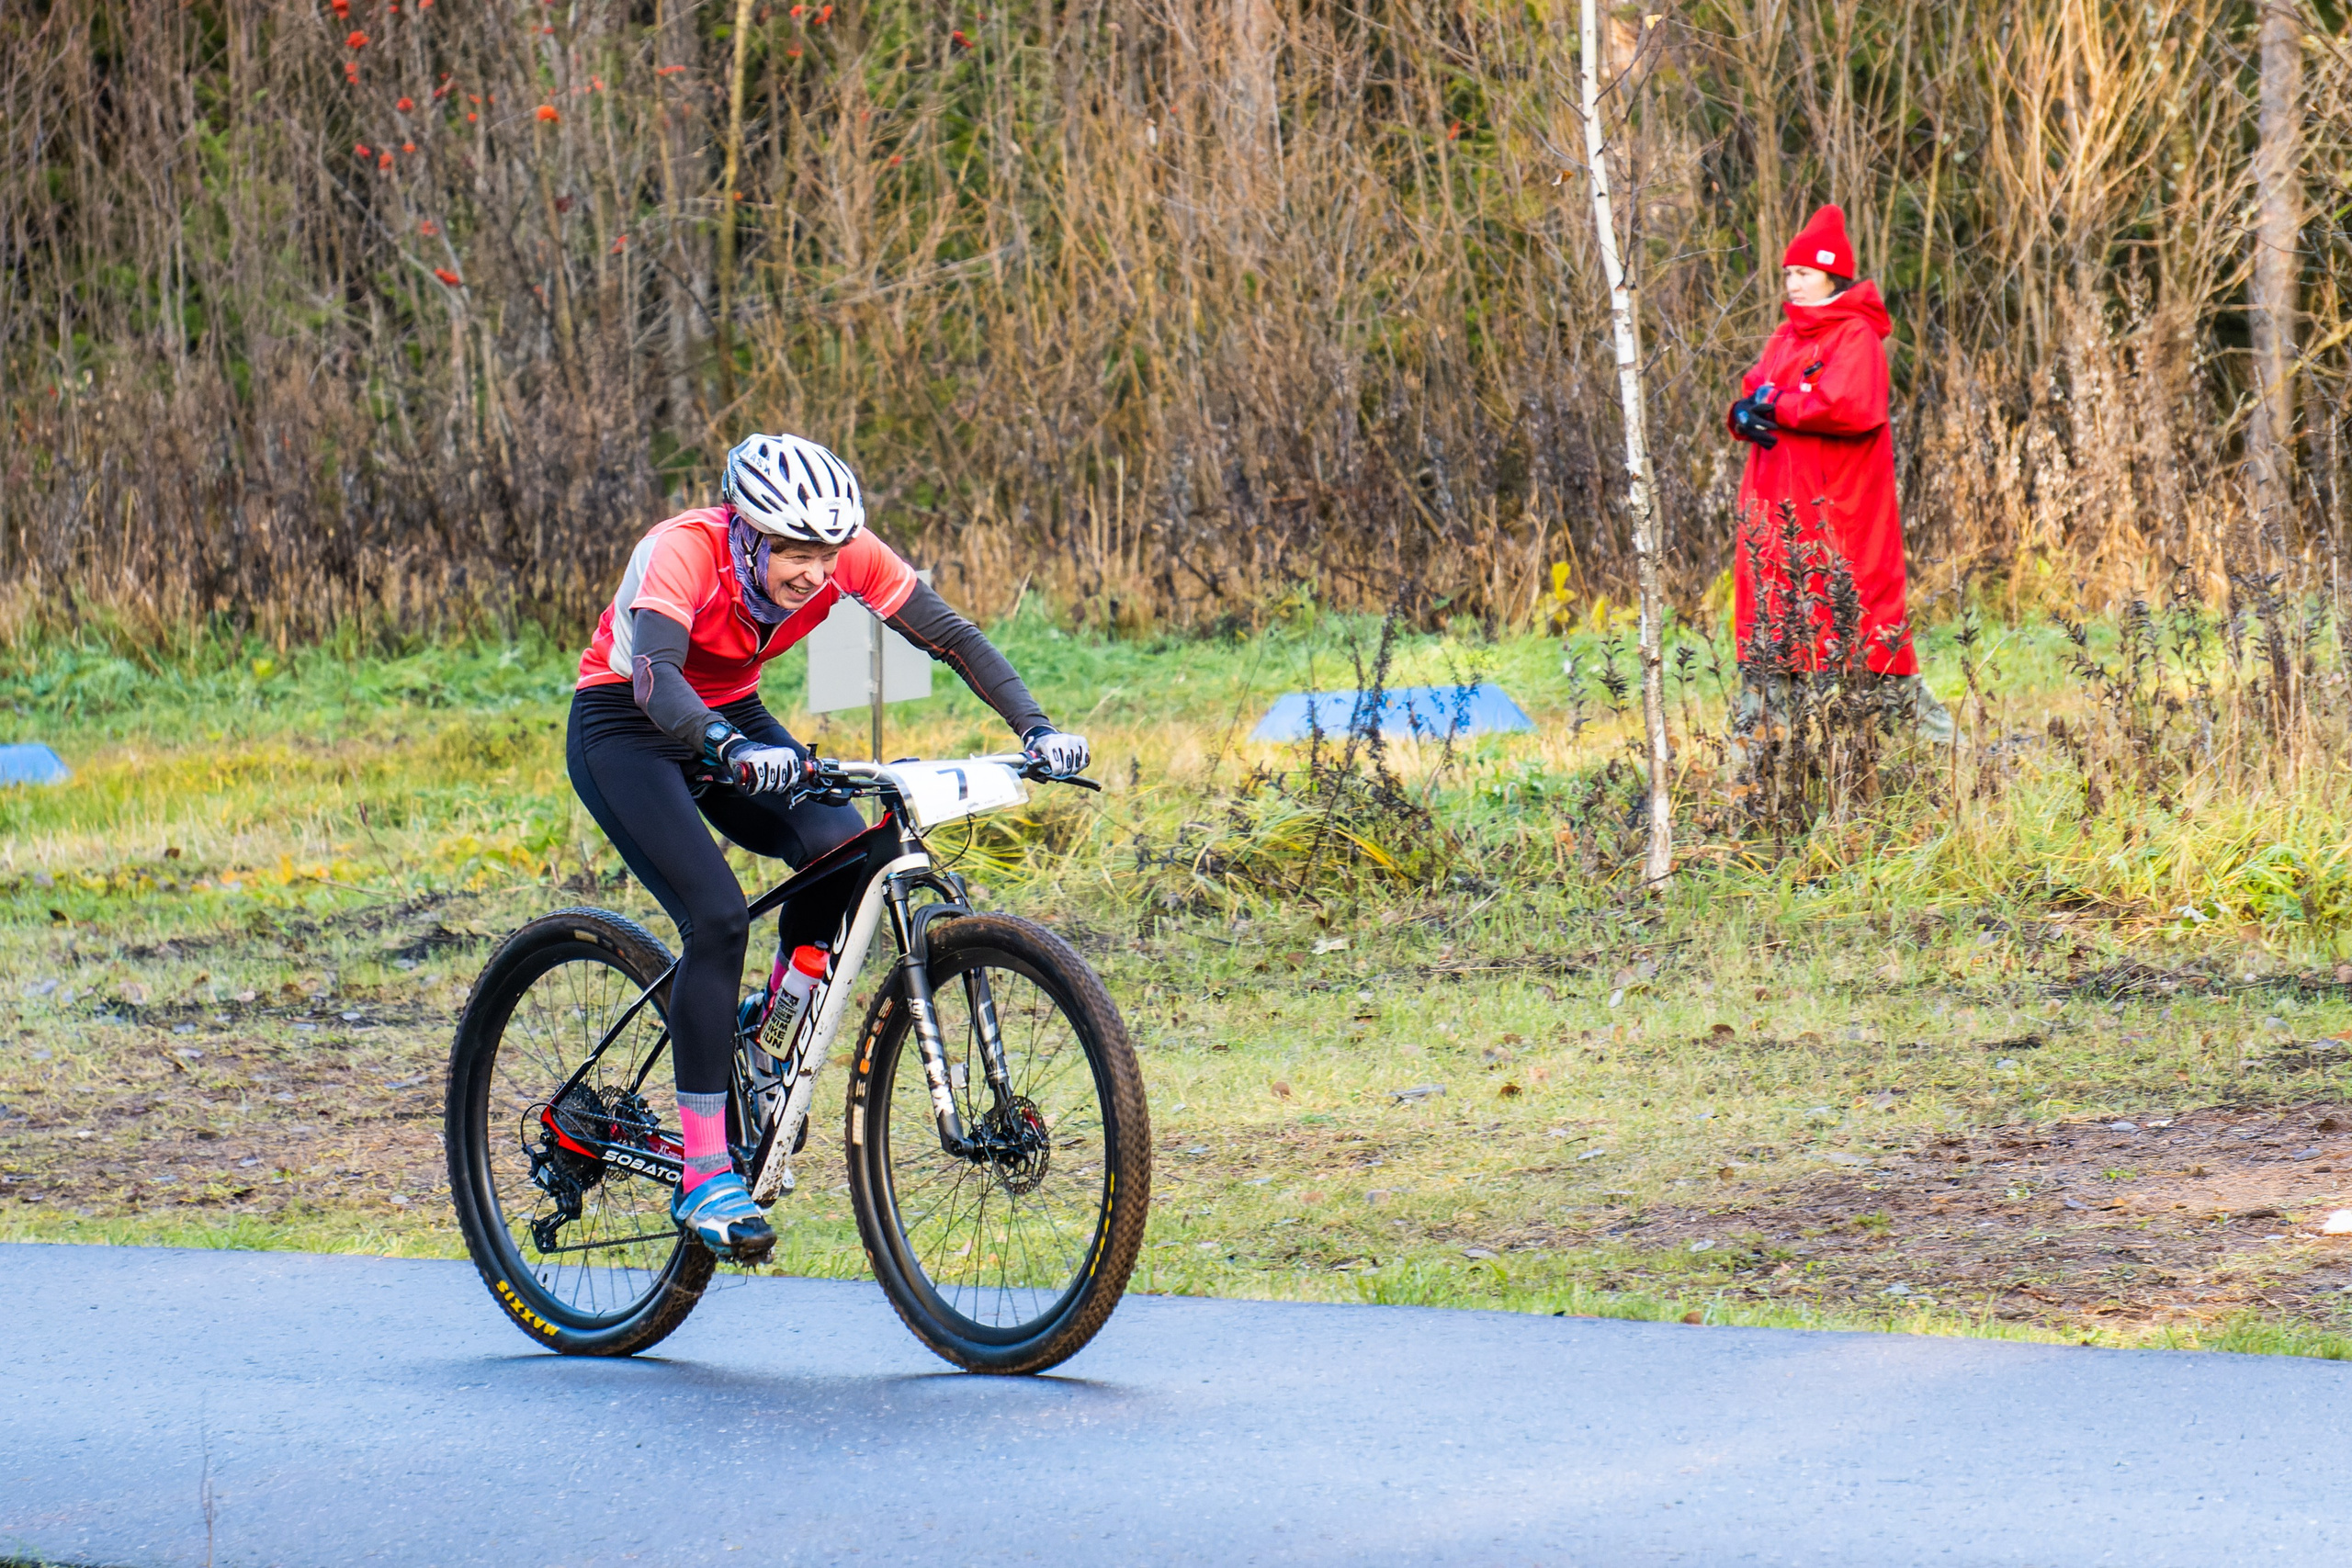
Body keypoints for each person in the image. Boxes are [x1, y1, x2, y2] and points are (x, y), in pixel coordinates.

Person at [566, 432, 1090, 1262]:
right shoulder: (682, 552)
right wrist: (725, 747)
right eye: (793, 551)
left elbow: (948, 635)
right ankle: (704, 1171)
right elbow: (657, 677)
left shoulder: (847, 558)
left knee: (844, 846)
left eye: (827, 551)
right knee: (717, 914)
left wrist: (1037, 727)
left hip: (731, 717)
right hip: (625, 724)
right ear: (745, 532)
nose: (815, 571)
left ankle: (764, 1032)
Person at [1726, 203, 1952, 744]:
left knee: (1859, 638)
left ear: (1832, 274)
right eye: (1788, 274)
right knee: (1772, 634)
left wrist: (1777, 404)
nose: (1793, 283)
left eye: (1803, 273)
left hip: (1835, 520)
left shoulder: (1855, 338)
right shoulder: (1786, 336)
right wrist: (1740, 415)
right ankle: (1759, 775)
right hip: (1776, 517)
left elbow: (1847, 406)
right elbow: (1753, 388)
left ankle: (1949, 760)